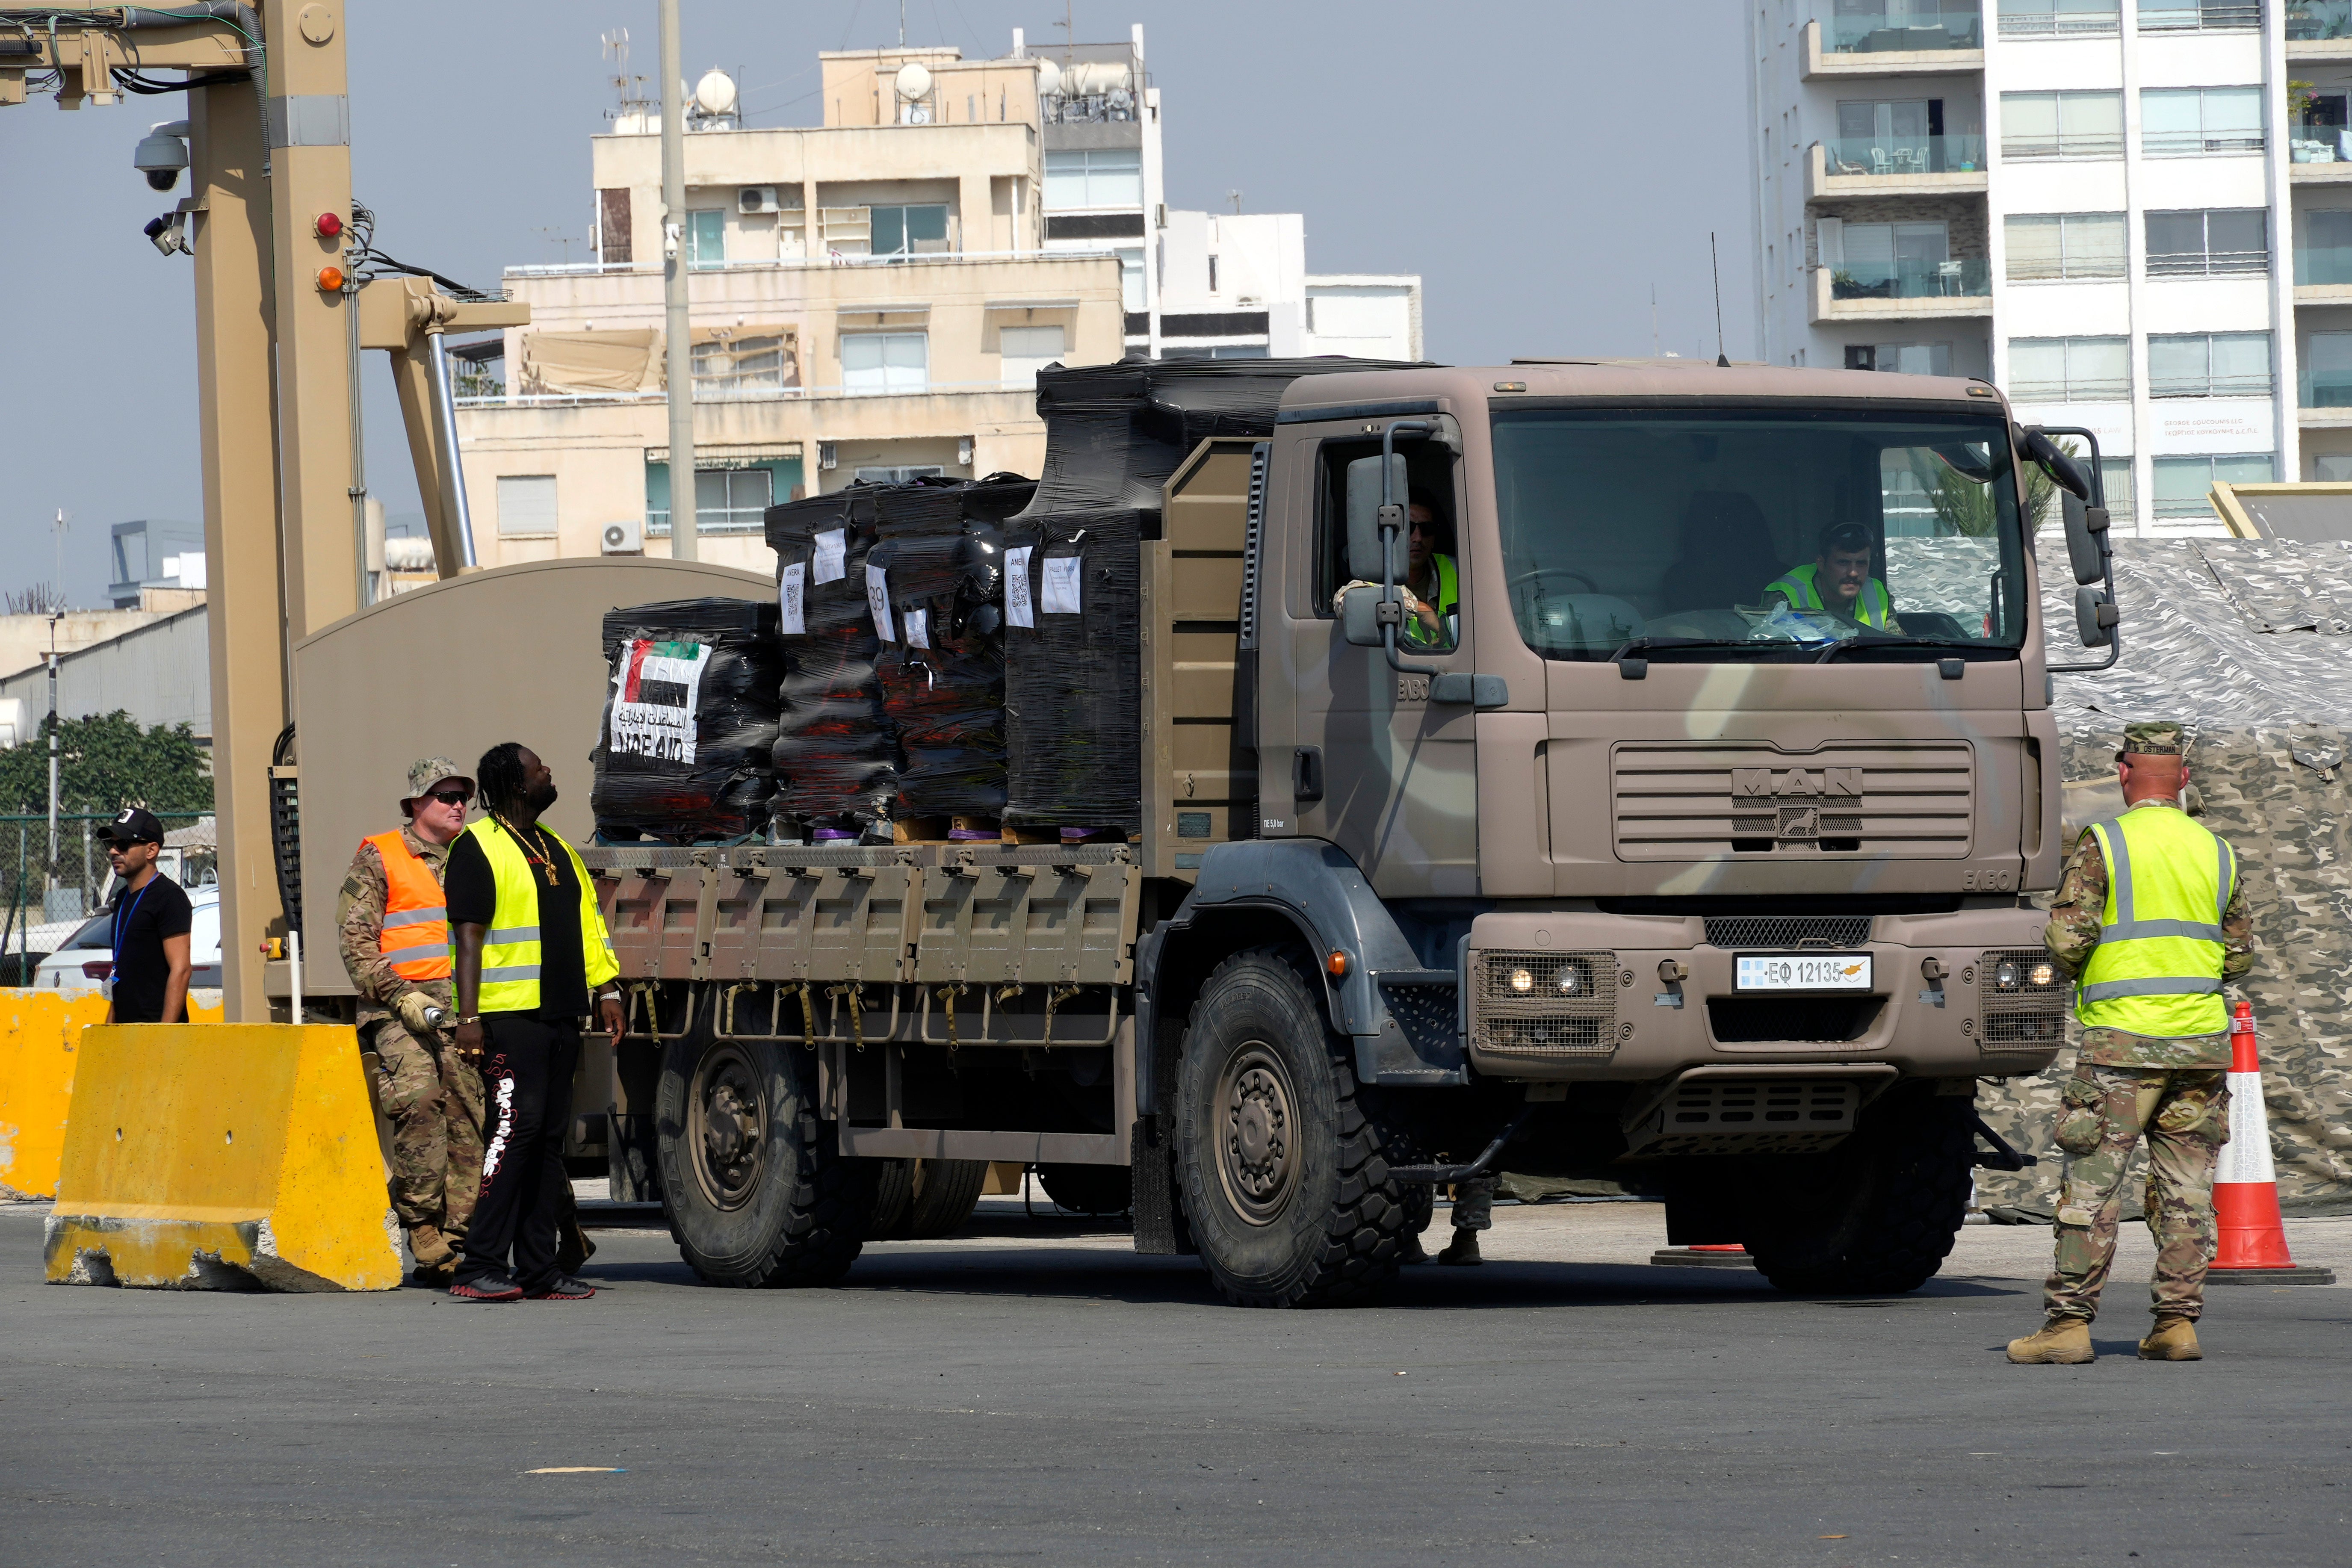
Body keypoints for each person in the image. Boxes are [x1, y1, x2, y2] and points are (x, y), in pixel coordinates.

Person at [2007, 721, 2255, 1366]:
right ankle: (2176, 1323)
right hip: (2199, 1045)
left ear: (2123, 774)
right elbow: (2239, 955)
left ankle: (2068, 1324)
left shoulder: (2106, 843)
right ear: (2185, 779)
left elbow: (2066, 940)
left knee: (2092, 1188)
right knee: (2187, 1191)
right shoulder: (2217, 849)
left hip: (2122, 1044)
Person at [444, 743, 625, 1303]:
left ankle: (539, 1268)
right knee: (513, 1133)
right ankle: (479, 1263)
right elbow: (468, 940)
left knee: (549, 1140)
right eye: (539, 767)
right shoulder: (477, 847)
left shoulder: (558, 849)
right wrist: (468, 1017)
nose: (550, 771)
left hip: (561, 1014)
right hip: (509, 1016)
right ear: (516, 785)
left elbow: (589, 926)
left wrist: (608, 986)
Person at [336, 757, 485, 1287]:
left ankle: (462, 1235)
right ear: (416, 805)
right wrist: (401, 996)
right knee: (420, 1100)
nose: (457, 805)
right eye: (444, 796)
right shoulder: (381, 856)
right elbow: (356, 941)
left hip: (463, 1008)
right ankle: (422, 1223)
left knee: (469, 1112)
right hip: (402, 1007)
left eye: (462, 795)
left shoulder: (475, 854)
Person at [98, 807, 192, 1025]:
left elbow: (182, 969)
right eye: (109, 845)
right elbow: (120, 972)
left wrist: (163, 1034)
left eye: (122, 845)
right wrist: (109, 1030)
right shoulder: (122, 898)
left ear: (151, 851)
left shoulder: (169, 897)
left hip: (157, 1032)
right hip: (125, 1033)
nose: (113, 852)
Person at [1762, 521, 1903, 633]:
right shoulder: (1785, 597)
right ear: (1821, 564)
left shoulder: (1877, 594)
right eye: (1843, 563)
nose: (1853, 573)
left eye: (1861, 563)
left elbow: (1897, 651)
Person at [1401, 488, 1460, 647]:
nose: (1418, 538)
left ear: (1434, 538)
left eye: (1427, 529)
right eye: (1409, 527)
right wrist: (1416, 607)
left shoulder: (1460, 569)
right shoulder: (1375, 576)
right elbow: (1343, 599)